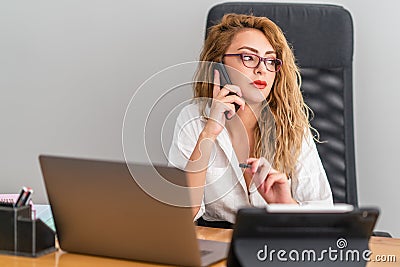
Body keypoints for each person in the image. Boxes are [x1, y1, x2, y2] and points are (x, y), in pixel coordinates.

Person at [168, 13, 333, 225]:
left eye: (270, 60)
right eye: (248, 57)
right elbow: (180, 214)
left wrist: (286, 206)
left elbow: (323, 210)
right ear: (219, 65)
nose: (262, 69)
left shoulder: (291, 124)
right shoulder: (193, 119)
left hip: (278, 244)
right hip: (219, 245)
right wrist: (210, 132)